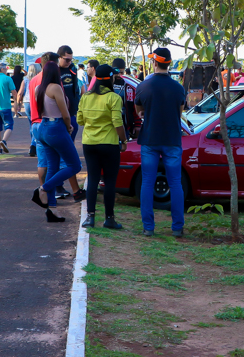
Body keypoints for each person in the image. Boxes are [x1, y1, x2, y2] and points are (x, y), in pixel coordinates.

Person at [135, 48, 186, 237]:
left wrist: (144, 113)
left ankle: (148, 227)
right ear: (169, 63)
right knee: (175, 183)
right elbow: (179, 113)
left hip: (150, 139)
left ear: (154, 63)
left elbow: (139, 109)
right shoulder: (178, 87)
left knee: (147, 182)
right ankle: (177, 227)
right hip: (172, 139)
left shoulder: (144, 86)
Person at [30, 61, 81, 223]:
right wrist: (69, 127)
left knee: (52, 167)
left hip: (42, 126)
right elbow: (65, 114)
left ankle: (51, 209)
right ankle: (43, 188)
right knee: (75, 165)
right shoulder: (55, 88)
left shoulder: (39, 88)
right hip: (56, 126)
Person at [77, 64, 126, 230]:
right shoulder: (114, 98)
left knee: (93, 179)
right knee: (110, 182)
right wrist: (124, 140)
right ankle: (109, 218)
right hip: (109, 144)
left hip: (89, 143)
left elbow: (80, 121)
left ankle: (90, 217)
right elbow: (117, 123)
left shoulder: (86, 97)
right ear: (110, 79)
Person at [56, 45, 84, 201]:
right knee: (61, 152)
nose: (69, 62)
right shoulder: (54, 72)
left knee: (68, 151)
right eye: (66, 59)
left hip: (71, 115)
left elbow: (76, 91)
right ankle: (57, 185)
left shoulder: (72, 71)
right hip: (59, 117)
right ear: (59, 57)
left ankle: (60, 185)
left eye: (71, 59)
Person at [28, 54, 59, 174]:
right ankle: (54, 188)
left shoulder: (33, 80)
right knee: (56, 161)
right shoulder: (51, 81)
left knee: (42, 162)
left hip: (35, 122)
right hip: (48, 122)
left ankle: (43, 189)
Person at [17, 62, 39, 157]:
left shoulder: (25, 80)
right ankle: (34, 145)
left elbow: (20, 93)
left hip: (27, 103)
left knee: (31, 124)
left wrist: (18, 104)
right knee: (37, 123)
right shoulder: (39, 79)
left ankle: (33, 144)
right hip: (36, 102)